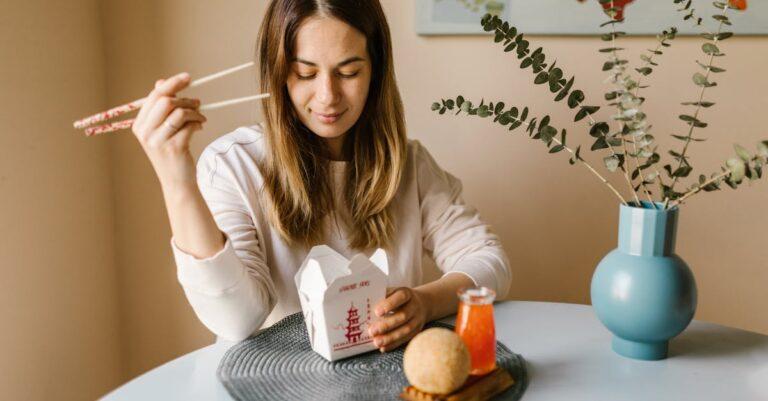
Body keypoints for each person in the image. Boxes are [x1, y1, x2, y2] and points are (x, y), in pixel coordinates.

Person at [131, 0, 512, 352]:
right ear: (279, 74)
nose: (327, 96)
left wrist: (426, 303)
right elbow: (237, 320)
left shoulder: (408, 165)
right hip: (266, 386)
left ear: (375, 71)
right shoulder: (234, 165)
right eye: (305, 73)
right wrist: (176, 179)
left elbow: (490, 262)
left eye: (348, 71)